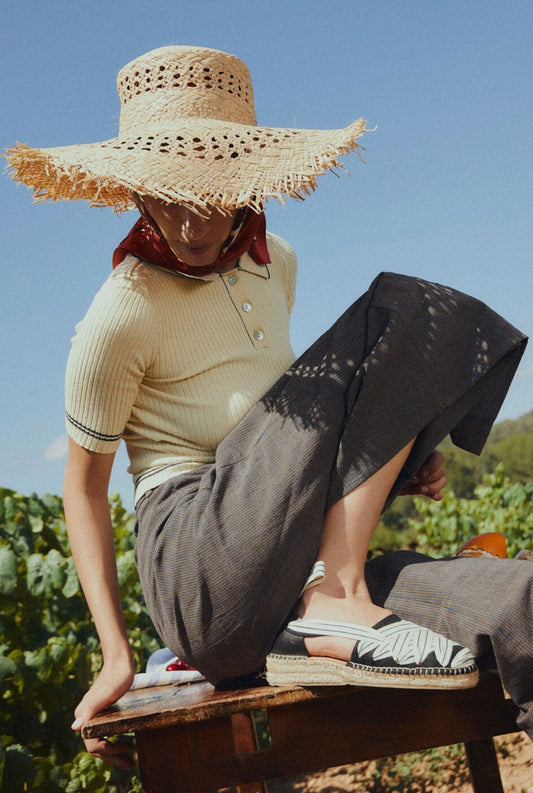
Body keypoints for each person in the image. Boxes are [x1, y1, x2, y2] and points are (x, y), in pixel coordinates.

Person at [5, 45, 531, 770]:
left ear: (247, 178)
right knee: (409, 309)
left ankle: (333, 600)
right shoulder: (120, 312)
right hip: (201, 570)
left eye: (210, 196)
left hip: (285, 570)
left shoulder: (274, 263)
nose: (191, 225)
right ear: (135, 190)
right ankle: (340, 595)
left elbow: (282, 442)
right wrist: (115, 654)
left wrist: (389, 460)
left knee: (520, 604)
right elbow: (82, 489)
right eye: (167, 197)